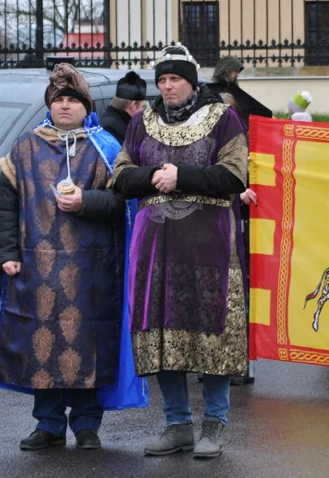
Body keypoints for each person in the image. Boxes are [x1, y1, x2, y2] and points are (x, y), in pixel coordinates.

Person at [113, 44, 249, 460]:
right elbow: (120, 177)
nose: (167, 86)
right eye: (162, 80)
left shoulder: (223, 119)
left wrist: (182, 177)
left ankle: (215, 423)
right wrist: (155, 175)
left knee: (210, 331)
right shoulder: (142, 122)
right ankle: (176, 425)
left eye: (175, 79)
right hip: (155, 246)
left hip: (209, 244)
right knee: (162, 332)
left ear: (191, 81)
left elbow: (234, 174)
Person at [0, 64, 136, 451]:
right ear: (49, 106)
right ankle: (49, 424)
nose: (65, 106)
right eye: (59, 100)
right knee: (43, 344)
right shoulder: (25, 147)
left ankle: (87, 425)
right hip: (37, 269)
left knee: (89, 343)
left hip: (94, 268)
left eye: (73, 100)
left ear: (85, 105)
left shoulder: (105, 147)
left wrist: (85, 201)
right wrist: (6, 252)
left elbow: (124, 201)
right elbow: (6, 203)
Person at [100, 71, 148, 144]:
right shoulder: (117, 131)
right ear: (133, 105)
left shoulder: (105, 122)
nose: (144, 112)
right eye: (143, 107)